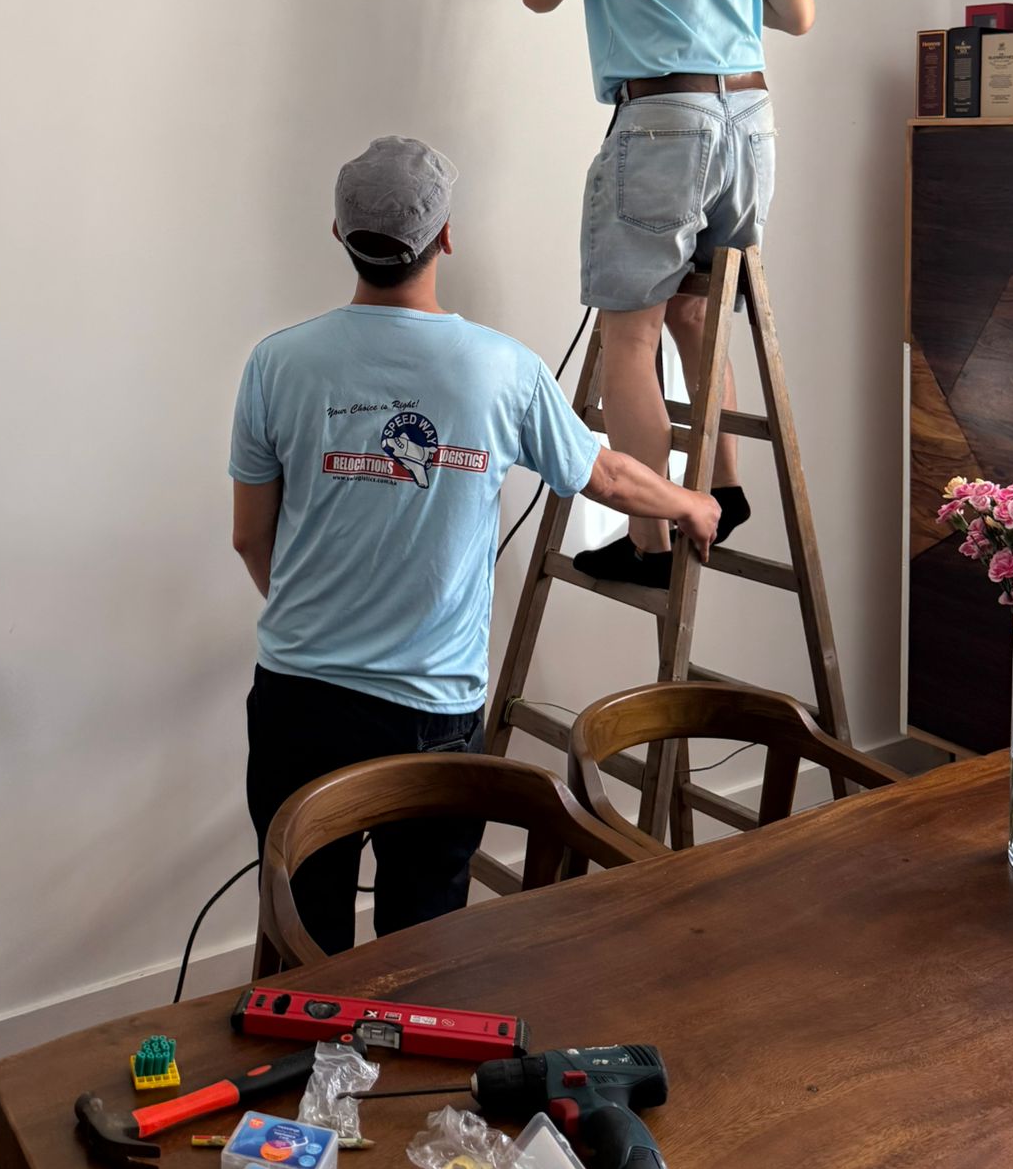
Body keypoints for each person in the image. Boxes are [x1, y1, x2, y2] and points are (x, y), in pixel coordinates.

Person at [230, 134, 720, 953]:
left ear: (340, 234)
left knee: (303, 948)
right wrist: (691, 504)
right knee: (425, 952)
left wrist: (323, 625)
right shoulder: (504, 368)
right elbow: (604, 477)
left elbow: (251, 538)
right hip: (433, 711)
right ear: (445, 237)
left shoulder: (276, 364)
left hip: (299, 701)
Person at [511, 0, 813, 588]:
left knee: (631, 337)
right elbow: (797, 14)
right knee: (697, 312)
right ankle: (725, 486)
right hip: (751, 123)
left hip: (665, 125)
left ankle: (649, 543)